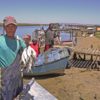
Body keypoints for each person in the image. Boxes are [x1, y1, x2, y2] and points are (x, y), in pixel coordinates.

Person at [0, 16, 26, 99]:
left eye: (13, 26)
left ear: (16, 28)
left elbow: (26, 52)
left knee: (17, 94)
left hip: (17, 76)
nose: (11, 29)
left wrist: (27, 43)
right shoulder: (0, 40)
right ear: (4, 27)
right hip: (5, 76)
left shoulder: (19, 40)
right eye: (8, 26)